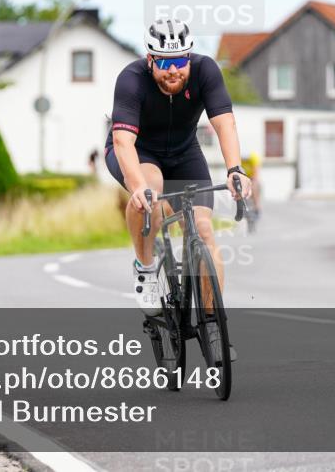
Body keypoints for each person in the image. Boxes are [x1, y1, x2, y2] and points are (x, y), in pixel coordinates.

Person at [104, 18, 251, 358]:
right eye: (165, 62)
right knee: (151, 189)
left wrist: (235, 169)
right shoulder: (131, 79)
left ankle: (212, 321)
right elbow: (124, 142)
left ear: (189, 57)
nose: (174, 70)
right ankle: (145, 266)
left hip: (184, 154)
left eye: (180, 60)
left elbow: (224, 121)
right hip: (138, 152)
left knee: (202, 229)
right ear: (150, 59)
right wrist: (137, 187)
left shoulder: (205, 70)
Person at [240, 151, 262, 222]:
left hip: (252, 178)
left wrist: (250, 182)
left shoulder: (253, 159)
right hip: (244, 178)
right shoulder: (240, 160)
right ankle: (241, 207)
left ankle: (257, 208)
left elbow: (255, 174)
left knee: (254, 187)